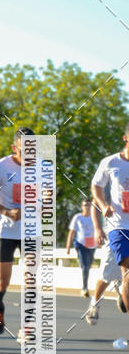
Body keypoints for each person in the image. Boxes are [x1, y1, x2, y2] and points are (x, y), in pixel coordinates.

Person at [0, 127, 35, 339]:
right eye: (24, 150)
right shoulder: (0, 167)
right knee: (3, 282)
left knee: (31, 279)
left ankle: (27, 327)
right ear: (15, 148)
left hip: (31, 229)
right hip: (5, 230)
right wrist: (5, 211)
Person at [91, 126, 129, 314]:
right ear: (125, 139)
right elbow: (95, 194)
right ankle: (94, 303)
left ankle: (123, 292)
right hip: (117, 227)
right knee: (108, 274)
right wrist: (98, 227)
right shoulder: (111, 164)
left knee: (124, 274)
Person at [65, 199, 96, 296]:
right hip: (80, 244)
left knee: (89, 265)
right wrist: (68, 246)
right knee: (85, 266)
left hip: (92, 245)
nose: (87, 207)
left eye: (88, 205)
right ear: (82, 207)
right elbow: (72, 232)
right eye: (85, 205)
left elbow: (98, 230)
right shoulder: (77, 217)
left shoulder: (94, 217)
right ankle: (84, 288)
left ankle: (85, 285)